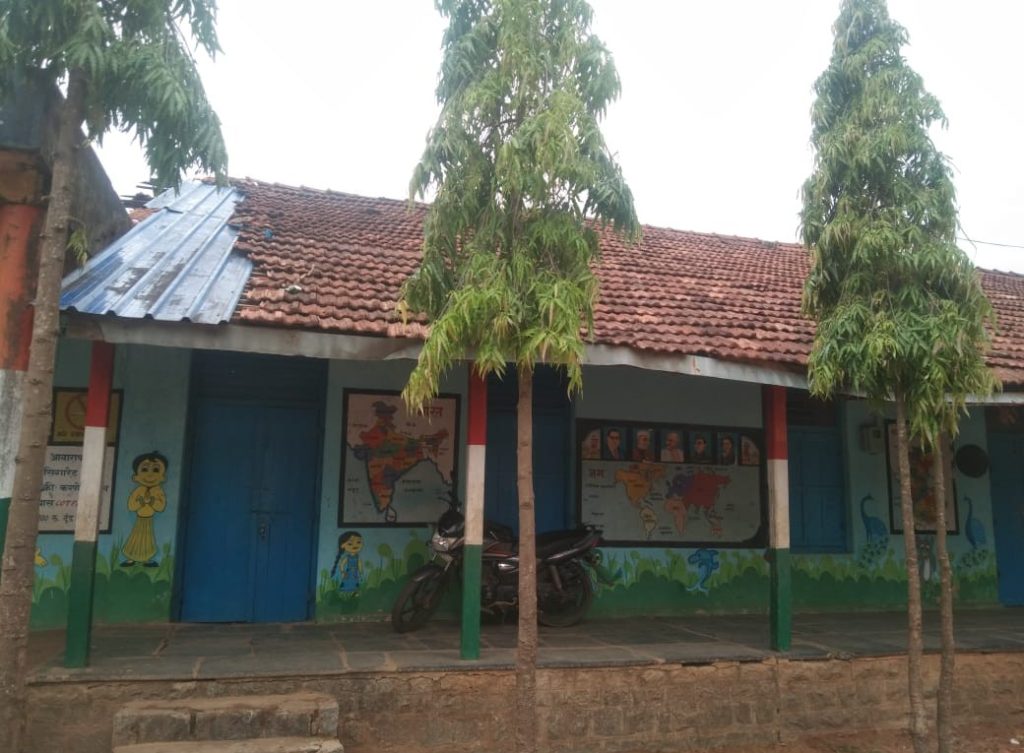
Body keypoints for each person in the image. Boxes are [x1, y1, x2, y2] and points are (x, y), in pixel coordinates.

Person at [121, 451, 168, 567]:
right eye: (144, 470)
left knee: (147, 539)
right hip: (139, 519)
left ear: (162, 477)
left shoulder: (158, 491)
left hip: (149, 519)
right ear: (135, 477)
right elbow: (131, 505)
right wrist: (141, 502)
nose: (150, 475)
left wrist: (152, 501)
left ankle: (146, 559)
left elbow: (161, 507)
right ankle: (131, 558)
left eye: (156, 470)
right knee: (135, 538)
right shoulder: (138, 491)